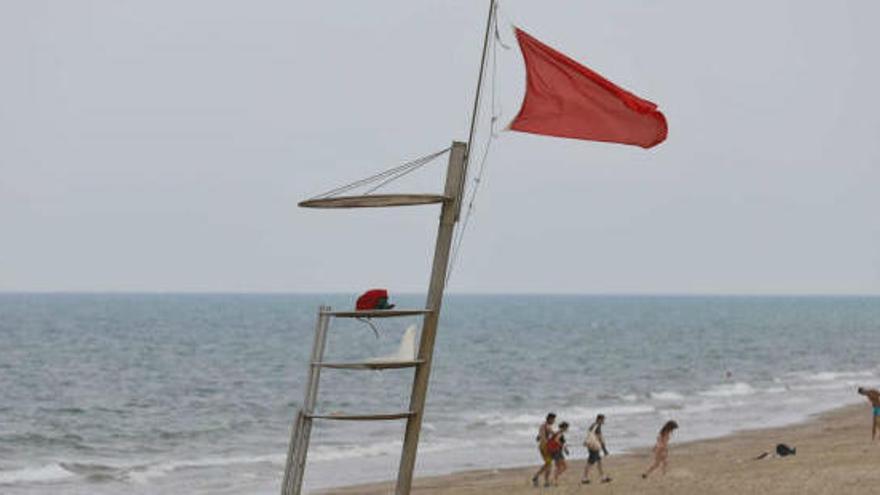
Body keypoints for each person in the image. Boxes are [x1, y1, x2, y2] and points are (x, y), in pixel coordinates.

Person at [581, 414, 611, 484]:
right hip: (594, 447)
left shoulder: (593, 425)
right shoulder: (597, 426)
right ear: (599, 419)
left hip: (591, 446)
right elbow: (600, 438)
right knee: (590, 463)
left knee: (599, 462)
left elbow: (590, 435)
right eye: (603, 420)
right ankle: (584, 478)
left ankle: (603, 477)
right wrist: (604, 450)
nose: (604, 421)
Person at [531, 413, 556, 487]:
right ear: (549, 419)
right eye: (553, 419)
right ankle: (546, 481)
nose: (554, 421)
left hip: (541, 447)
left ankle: (536, 477)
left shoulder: (542, 426)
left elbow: (538, 437)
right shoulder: (548, 427)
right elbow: (554, 435)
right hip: (545, 447)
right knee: (549, 464)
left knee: (548, 464)